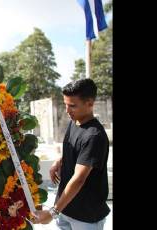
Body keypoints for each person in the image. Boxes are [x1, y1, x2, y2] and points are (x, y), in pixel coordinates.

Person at [34, 79, 110, 229]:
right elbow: (76, 149)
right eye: (66, 105)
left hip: (85, 216)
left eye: (72, 106)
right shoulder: (75, 122)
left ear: (90, 103)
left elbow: (79, 179)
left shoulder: (94, 136)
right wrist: (60, 160)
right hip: (66, 207)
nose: (67, 110)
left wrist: (52, 213)